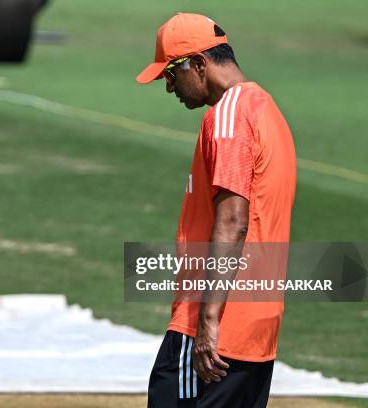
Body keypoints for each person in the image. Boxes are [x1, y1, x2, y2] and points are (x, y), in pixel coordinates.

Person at [136, 13, 296, 408]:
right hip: (256, 325)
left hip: (216, 325)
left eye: (171, 74)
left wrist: (208, 322)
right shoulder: (267, 109)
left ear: (200, 64)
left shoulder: (229, 116)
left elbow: (233, 221)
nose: (169, 87)